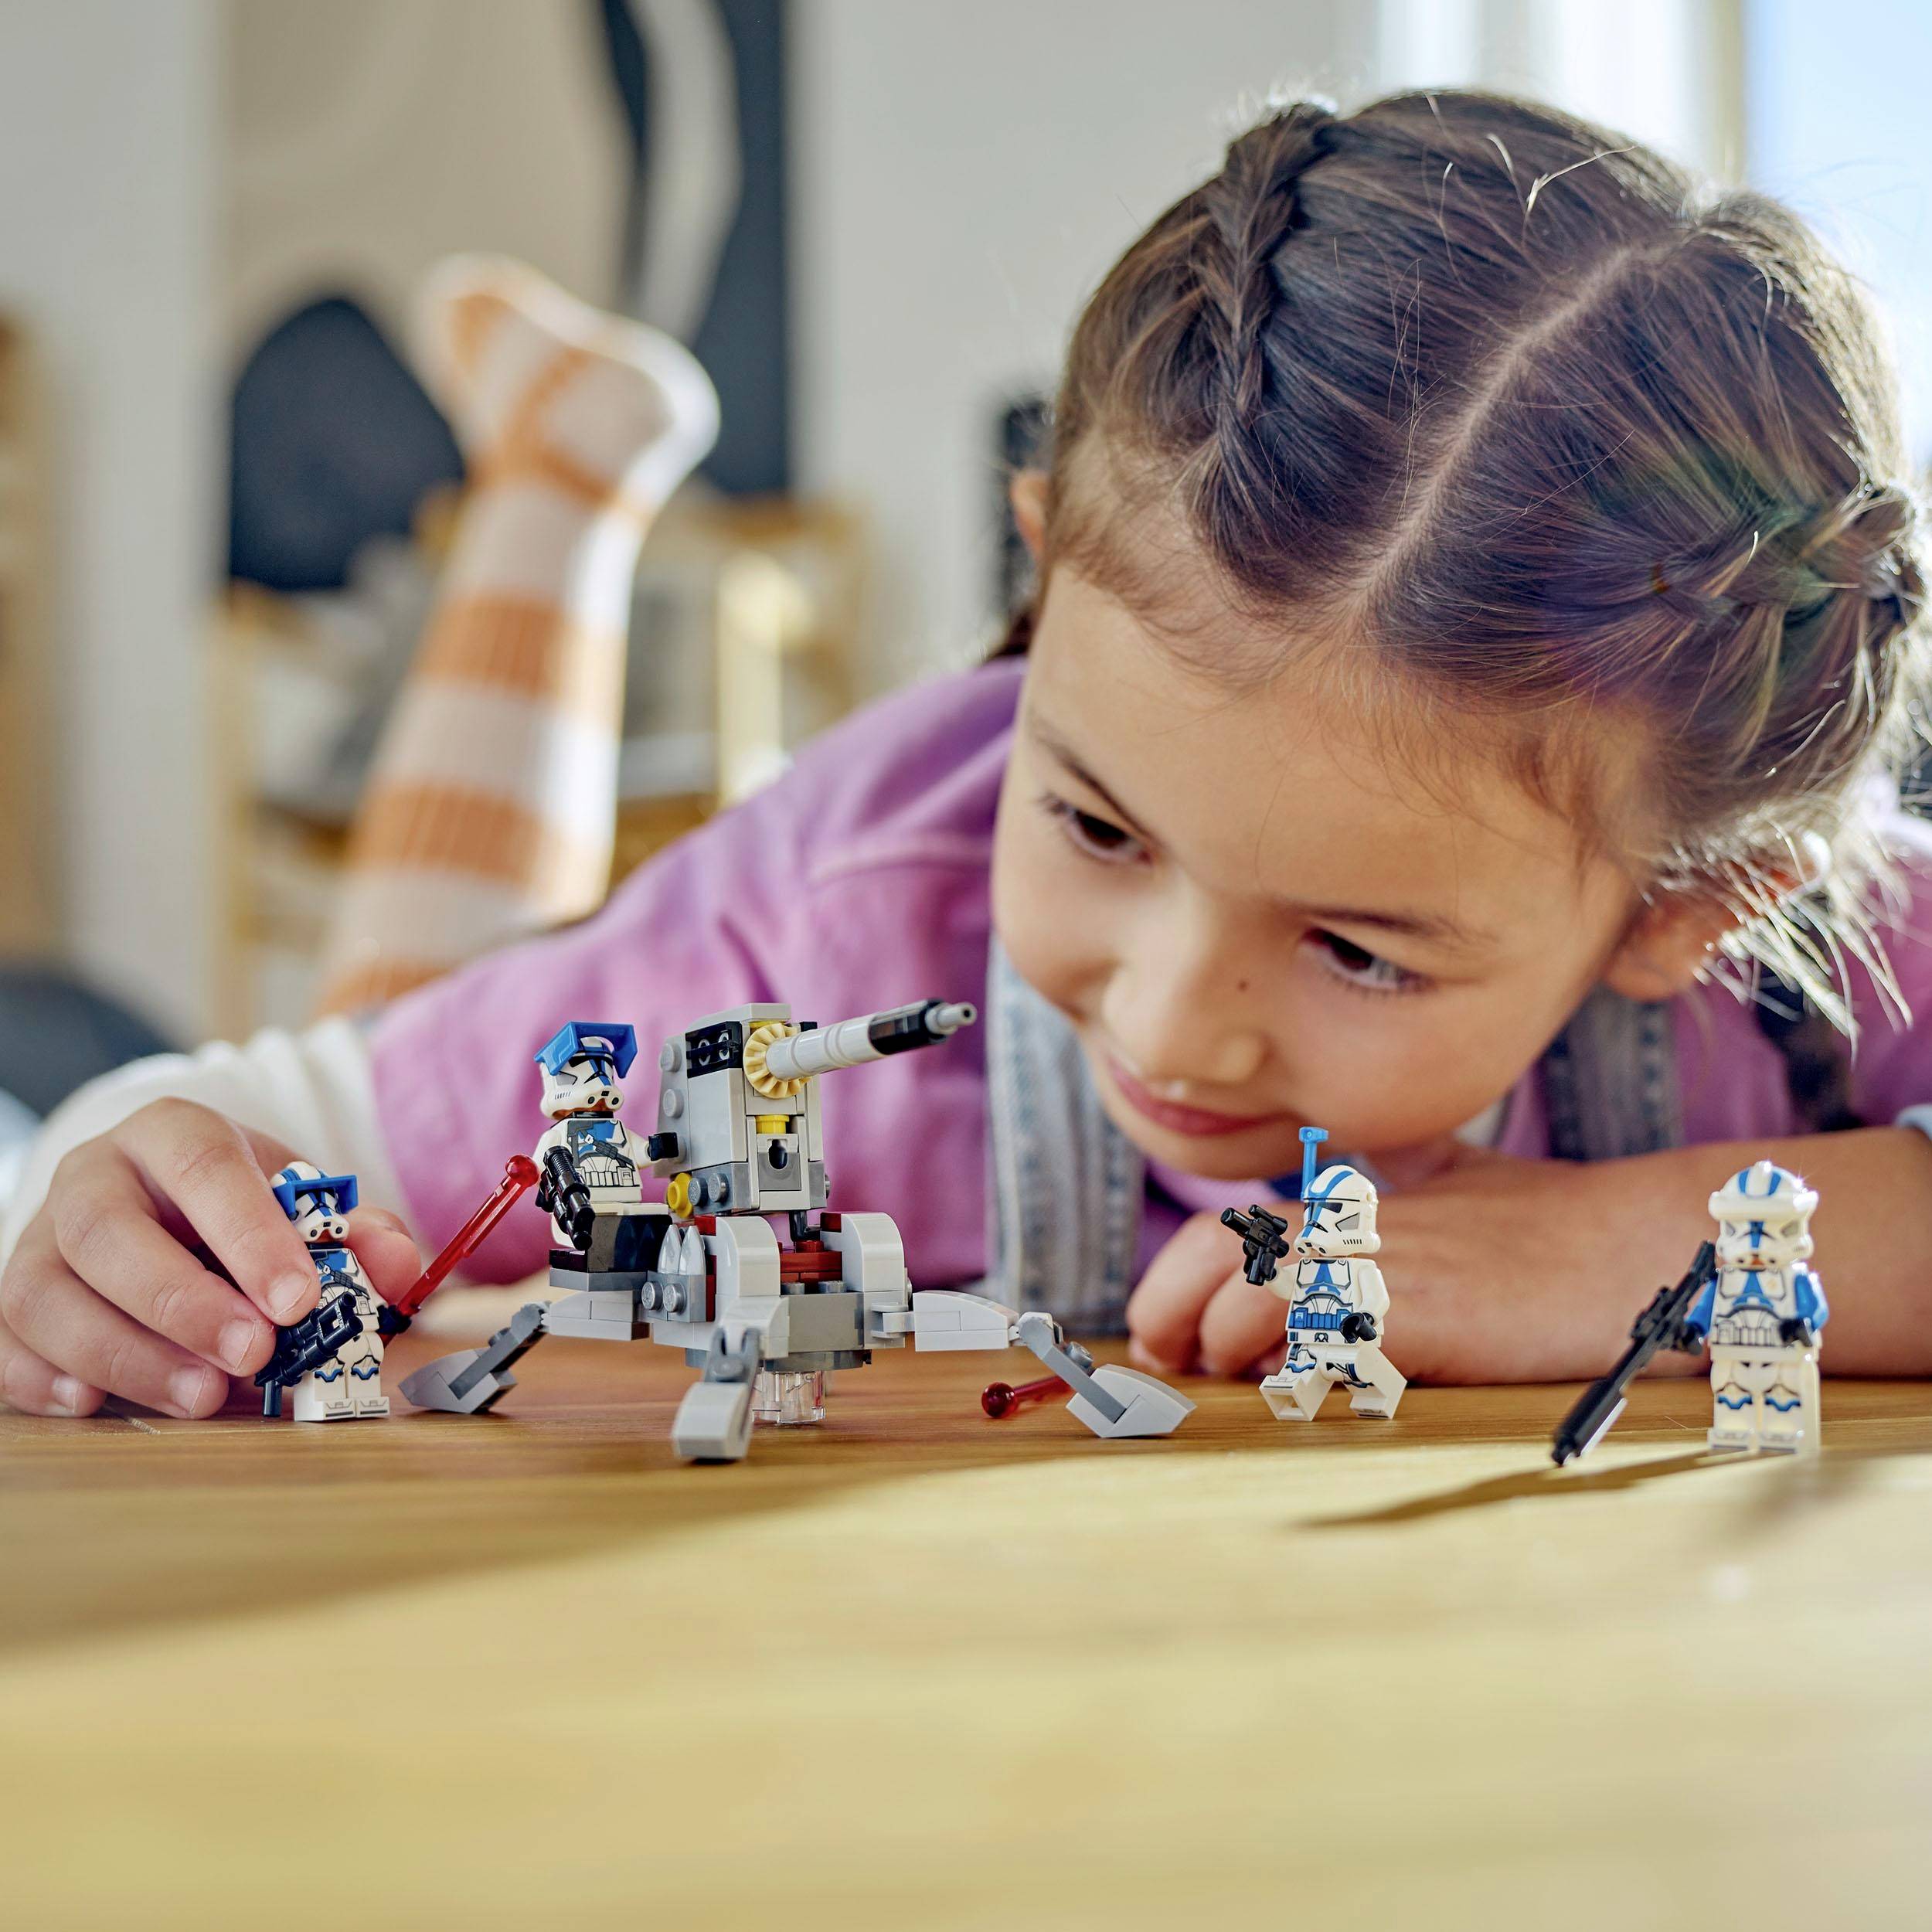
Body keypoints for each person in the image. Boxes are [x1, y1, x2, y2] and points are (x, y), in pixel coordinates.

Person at [6, 88, 1932, 1423]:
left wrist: (1628, 1243)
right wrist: (114, 1221)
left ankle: (566, 462)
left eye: (1358, 948)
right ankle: (558, 487)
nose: (1169, 1026)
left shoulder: (1797, 965)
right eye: (1093, 824)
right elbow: (240, 1124)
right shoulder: (838, 916)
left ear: (1687, 909)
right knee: (424, 1008)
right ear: (1039, 578)